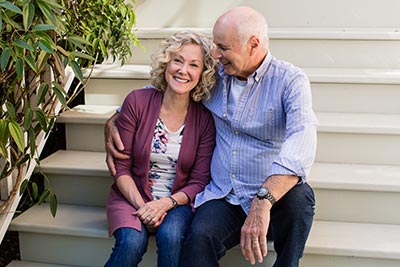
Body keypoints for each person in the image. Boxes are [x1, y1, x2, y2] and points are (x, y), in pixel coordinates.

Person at [106, 6, 318, 267]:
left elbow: (302, 142)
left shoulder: (290, 81)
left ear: (253, 44)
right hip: (224, 194)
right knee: (197, 240)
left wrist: (263, 201)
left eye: (223, 47)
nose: (215, 54)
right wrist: (117, 115)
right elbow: (175, 84)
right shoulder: (217, 74)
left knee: (301, 198)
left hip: (270, 196)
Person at [104, 30, 217, 267]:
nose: (183, 70)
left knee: (171, 236)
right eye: (177, 60)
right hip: (131, 195)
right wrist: (145, 208)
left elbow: (199, 181)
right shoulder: (137, 101)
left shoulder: (205, 119)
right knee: (131, 243)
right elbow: (121, 167)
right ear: (166, 64)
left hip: (177, 202)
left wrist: (164, 205)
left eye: (193, 65)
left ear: (202, 74)